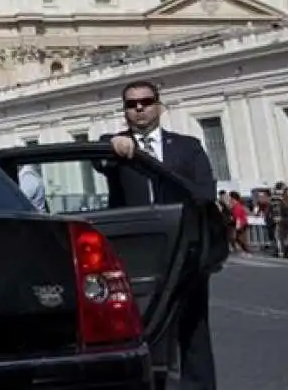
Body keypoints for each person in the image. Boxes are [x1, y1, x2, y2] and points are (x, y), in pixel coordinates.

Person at [98, 80, 217, 390]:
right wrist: (114, 143)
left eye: (146, 101)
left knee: (194, 329)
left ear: (159, 106)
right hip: (137, 258)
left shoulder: (187, 146)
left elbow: (204, 193)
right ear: (124, 111)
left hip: (184, 251)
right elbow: (100, 160)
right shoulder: (113, 146)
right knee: (142, 330)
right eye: (131, 104)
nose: (139, 108)